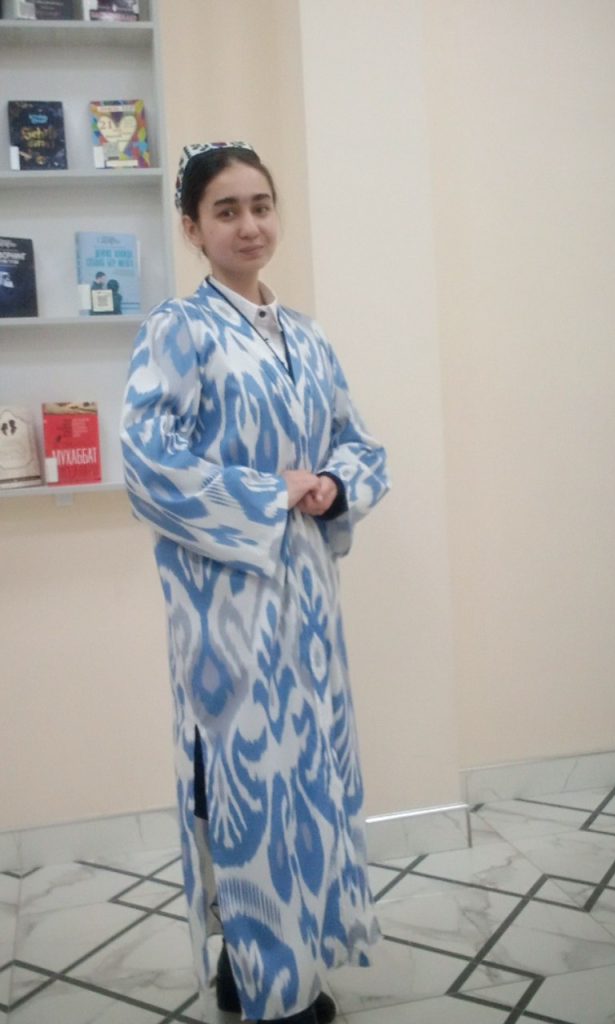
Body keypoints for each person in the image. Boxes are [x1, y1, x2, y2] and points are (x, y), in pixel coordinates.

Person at [120, 141, 389, 1024]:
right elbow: (146, 462)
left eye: (262, 205)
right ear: (192, 227)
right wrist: (269, 490)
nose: (250, 225)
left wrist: (334, 483)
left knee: (309, 784)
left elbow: (357, 442)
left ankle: (283, 953)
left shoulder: (306, 335)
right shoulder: (179, 330)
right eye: (227, 210)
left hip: (308, 609)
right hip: (226, 616)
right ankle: (272, 986)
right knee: (245, 796)